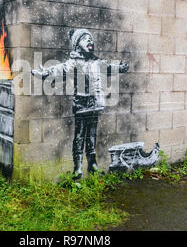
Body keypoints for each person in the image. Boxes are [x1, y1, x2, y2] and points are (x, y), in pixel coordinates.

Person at [32, 28, 129, 180]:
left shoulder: (97, 62)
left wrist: (120, 68)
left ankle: (92, 164)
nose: (89, 41)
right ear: (77, 45)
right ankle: (77, 168)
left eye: (90, 39)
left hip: (95, 105)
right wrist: (46, 73)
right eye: (85, 39)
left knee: (91, 136)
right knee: (79, 137)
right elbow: (61, 69)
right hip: (82, 106)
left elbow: (109, 68)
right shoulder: (74, 62)